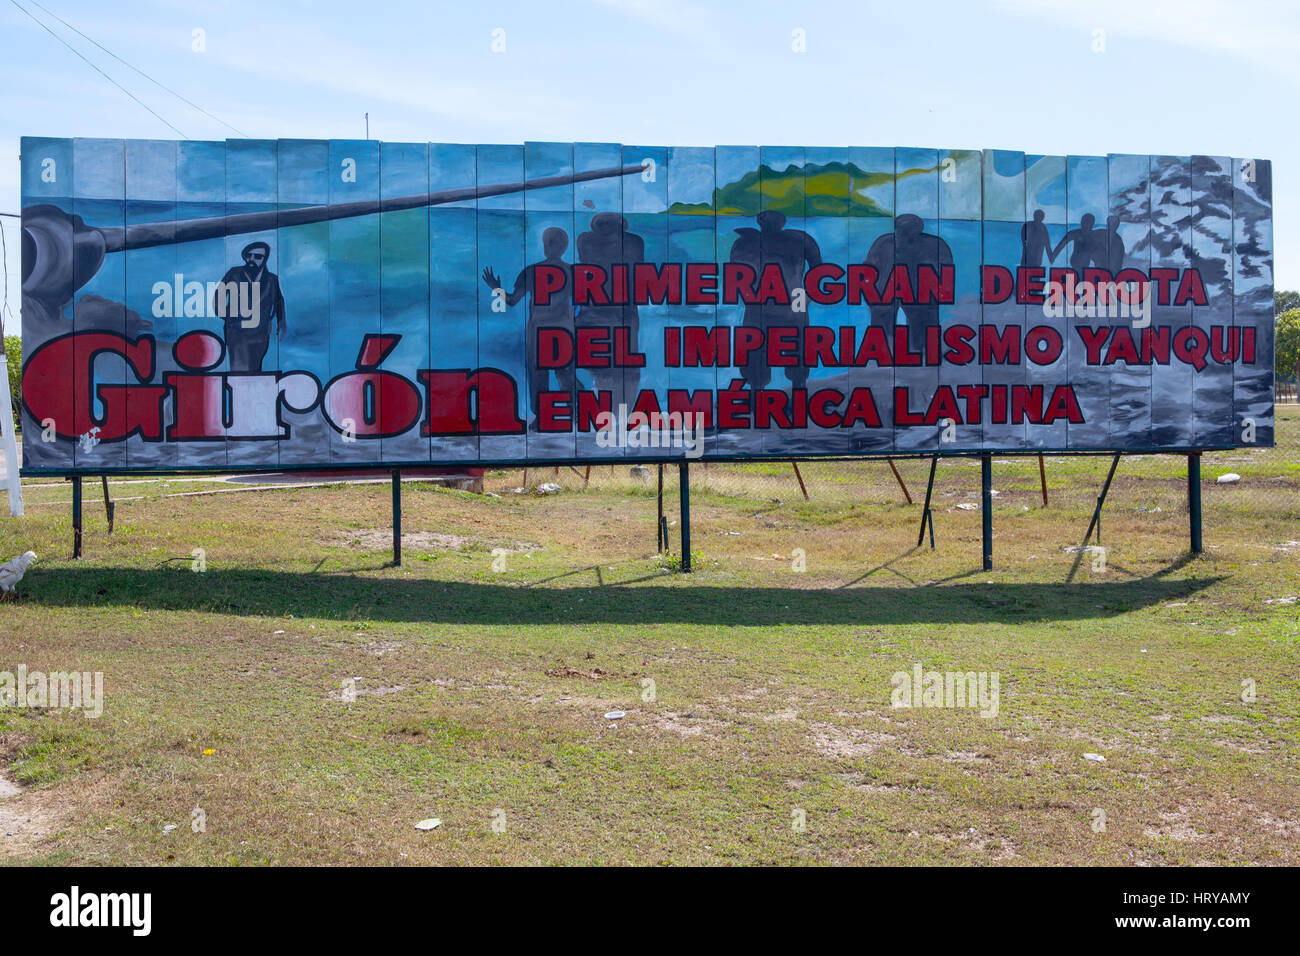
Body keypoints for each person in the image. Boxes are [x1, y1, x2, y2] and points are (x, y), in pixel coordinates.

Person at [482, 227, 576, 429]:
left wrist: (496, 288)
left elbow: (513, 300)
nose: (547, 246)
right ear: (565, 247)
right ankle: (573, 413)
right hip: (564, 330)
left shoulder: (531, 271)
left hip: (540, 330)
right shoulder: (572, 272)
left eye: (549, 242)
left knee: (539, 374)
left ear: (547, 246)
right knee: (564, 372)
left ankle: (544, 417)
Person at [730, 210, 822, 390]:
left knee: (796, 355)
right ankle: (763, 390)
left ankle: (795, 388)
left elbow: (818, 270)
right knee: (756, 357)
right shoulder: (744, 243)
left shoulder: (799, 240)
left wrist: (806, 298)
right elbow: (736, 276)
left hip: (787, 307)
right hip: (763, 308)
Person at [576, 213, 645, 408]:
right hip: (621, 311)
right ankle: (621, 409)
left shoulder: (585, 240)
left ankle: (611, 409)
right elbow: (639, 267)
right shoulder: (634, 242)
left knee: (605, 365)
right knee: (624, 364)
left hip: (599, 311)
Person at [864, 214, 954, 353]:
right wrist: (872, 296)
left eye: (909, 233)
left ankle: (920, 357)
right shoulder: (883, 243)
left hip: (920, 294)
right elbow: (867, 269)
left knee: (921, 339)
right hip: (886, 293)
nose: (904, 237)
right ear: (896, 230)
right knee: (881, 334)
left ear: (918, 231)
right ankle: (881, 356)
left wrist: (932, 295)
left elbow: (946, 272)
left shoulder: (935, 245)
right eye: (901, 232)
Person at [213, 241, 286, 372]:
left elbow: (279, 301)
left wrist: (279, 322)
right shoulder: (234, 273)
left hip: (261, 334)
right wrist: (231, 318)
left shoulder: (272, 279)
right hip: (237, 333)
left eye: (257, 257)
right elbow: (218, 298)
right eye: (249, 255)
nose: (251, 259)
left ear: (265, 259)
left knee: (255, 368)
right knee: (239, 371)